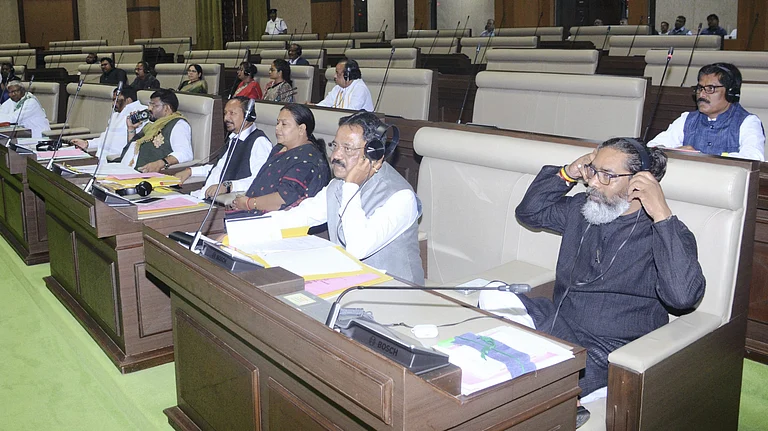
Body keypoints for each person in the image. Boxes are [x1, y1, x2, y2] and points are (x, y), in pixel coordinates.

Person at [482, 138, 705, 427]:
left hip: (606, 348)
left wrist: (661, 212)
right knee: (489, 292)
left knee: (520, 379)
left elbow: (683, 298)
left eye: (607, 175)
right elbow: (529, 212)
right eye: (592, 170)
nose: (593, 184)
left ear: (640, 183)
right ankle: (551, 383)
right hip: (558, 324)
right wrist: (567, 172)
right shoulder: (582, 209)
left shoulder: (664, 231)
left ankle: (565, 393)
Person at [231, 111, 423, 284]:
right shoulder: (337, 185)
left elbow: (358, 247)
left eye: (347, 149)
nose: (335, 155)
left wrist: (351, 185)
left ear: (374, 155)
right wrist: (239, 234)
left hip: (393, 295)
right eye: (335, 146)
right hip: (350, 285)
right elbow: (299, 216)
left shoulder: (401, 198)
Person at [648, 63, 765, 161]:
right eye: (700, 88)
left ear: (731, 93)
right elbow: (653, 146)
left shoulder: (748, 122)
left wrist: (701, 156)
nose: (702, 95)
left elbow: (753, 158)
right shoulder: (687, 119)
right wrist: (678, 151)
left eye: (710, 89)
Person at [229, 103, 330, 214]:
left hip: (276, 221)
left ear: (301, 129)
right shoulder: (280, 148)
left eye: (284, 124)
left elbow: (284, 198)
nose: (277, 128)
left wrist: (248, 203)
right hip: (252, 211)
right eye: (278, 123)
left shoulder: (307, 160)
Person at [175, 97, 272, 199]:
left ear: (249, 116)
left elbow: (260, 180)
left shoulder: (259, 142)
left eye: (232, 113)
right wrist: (190, 171)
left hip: (221, 204)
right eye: (225, 113)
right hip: (200, 196)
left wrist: (228, 186)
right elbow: (220, 169)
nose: (226, 118)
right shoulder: (234, 138)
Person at [117, 89, 193, 172]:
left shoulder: (178, 125)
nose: (149, 108)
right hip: (125, 168)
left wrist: (160, 163)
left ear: (166, 108)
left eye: (154, 105)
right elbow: (133, 147)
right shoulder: (151, 126)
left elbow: (185, 154)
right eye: (149, 104)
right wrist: (131, 129)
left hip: (143, 175)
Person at [70, 86, 148, 158]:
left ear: (128, 100)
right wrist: (87, 144)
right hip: (100, 158)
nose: (113, 104)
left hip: (117, 160)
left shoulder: (140, 113)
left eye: (117, 100)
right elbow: (106, 138)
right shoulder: (115, 115)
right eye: (113, 100)